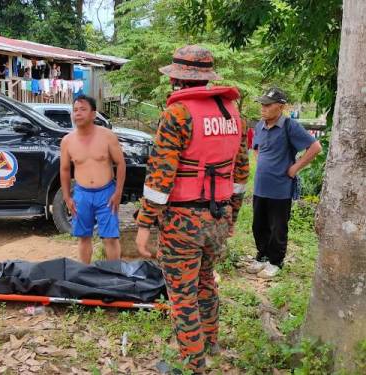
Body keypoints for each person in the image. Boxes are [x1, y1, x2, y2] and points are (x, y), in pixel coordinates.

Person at [135, 45, 249, 374]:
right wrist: (232, 217)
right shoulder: (232, 113)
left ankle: (192, 364)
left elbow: (159, 179)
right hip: (219, 215)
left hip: (183, 220)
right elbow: (241, 173)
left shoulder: (178, 113)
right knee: (205, 282)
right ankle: (210, 341)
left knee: (182, 293)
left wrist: (145, 227)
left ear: (178, 80)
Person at [247, 87, 322, 278]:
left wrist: (294, 168)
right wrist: (262, 161)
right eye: (262, 104)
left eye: (268, 105)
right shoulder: (260, 126)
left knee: (278, 227)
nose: (263, 108)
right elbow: (256, 148)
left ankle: (275, 261)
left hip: (280, 188)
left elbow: (315, 147)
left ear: (280, 107)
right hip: (260, 186)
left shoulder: (290, 126)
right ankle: (261, 256)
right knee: (259, 224)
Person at [60, 95, 126, 264]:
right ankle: (85, 274)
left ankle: (115, 275)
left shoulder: (107, 136)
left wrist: (118, 192)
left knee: (110, 238)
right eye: (75, 110)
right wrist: (67, 197)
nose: (78, 114)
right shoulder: (67, 141)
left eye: (83, 109)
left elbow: (120, 164)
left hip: (107, 193)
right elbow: (65, 170)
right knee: (83, 237)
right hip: (82, 194)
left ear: (93, 114)